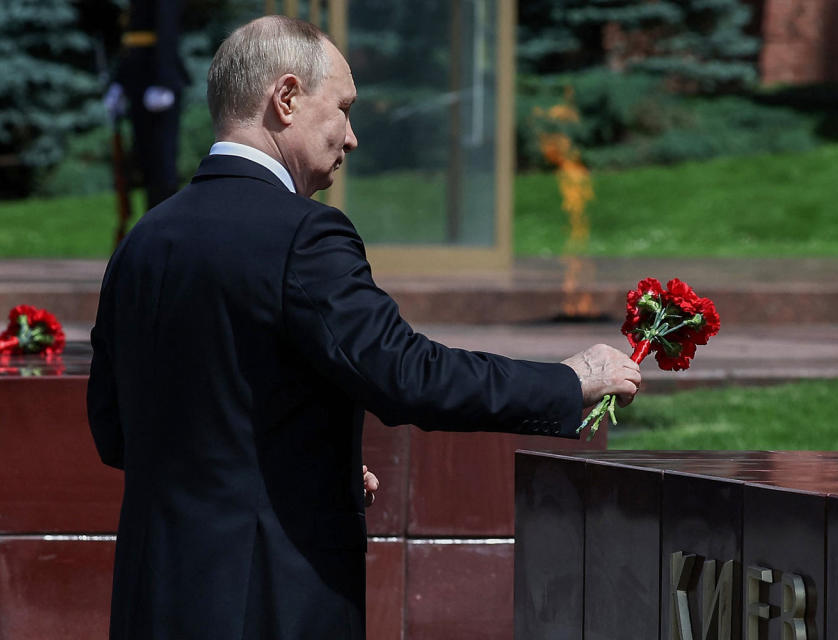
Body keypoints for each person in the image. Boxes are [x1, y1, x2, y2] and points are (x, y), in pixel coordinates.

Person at [87, 15, 641, 640]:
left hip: (151, 596)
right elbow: (405, 374)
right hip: (271, 600)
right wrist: (569, 382)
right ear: (286, 98)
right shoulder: (304, 235)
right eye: (344, 108)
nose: (352, 137)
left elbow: (118, 433)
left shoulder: (141, 242)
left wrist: (303, 465)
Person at [104, 0, 188, 209]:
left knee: (163, 163)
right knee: (146, 162)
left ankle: (168, 224)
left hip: (157, 79)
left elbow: (168, 28)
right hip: (137, 80)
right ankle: (153, 220)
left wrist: (164, 81)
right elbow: (130, 39)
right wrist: (119, 82)